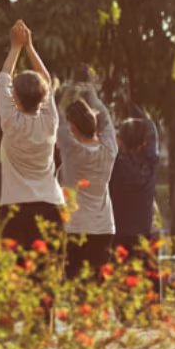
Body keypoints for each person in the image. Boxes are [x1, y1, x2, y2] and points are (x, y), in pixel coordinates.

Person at [0, 21, 63, 273]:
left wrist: (16, 48)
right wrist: (30, 48)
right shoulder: (50, 122)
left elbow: (2, 80)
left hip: (14, 209)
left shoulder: (11, 123)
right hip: (49, 206)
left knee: (18, 284)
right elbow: (45, 79)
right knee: (47, 279)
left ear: (16, 99)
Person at [57, 75, 117, 284]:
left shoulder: (72, 151)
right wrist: (92, 92)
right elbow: (107, 120)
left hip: (75, 228)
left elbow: (58, 119)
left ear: (73, 127)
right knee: (96, 289)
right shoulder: (109, 149)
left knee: (75, 287)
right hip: (103, 228)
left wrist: (67, 91)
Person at [110, 100, 162, 301]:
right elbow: (153, 132)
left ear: (120, 140)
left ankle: (124, 313)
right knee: (149, 274)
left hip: (120, 231)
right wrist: (136, 107)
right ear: (144, 143)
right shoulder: (150, 161)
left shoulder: (115, 164)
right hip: (145, 229)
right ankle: (152, 310)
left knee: (122, 278)